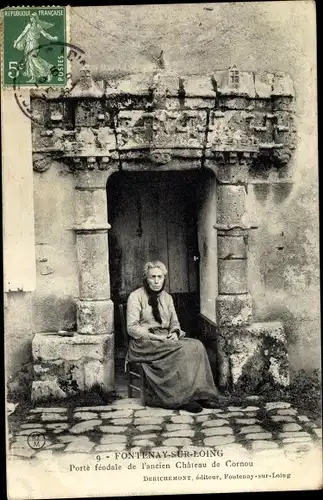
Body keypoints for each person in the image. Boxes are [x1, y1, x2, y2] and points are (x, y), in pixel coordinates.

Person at [126, 260, 219, 413]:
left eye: (160, 277)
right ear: (145, 278)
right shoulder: (135, 297)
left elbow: (174, 322)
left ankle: (201, 394)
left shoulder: (167, 298)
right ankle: (180, 399)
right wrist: (156, 338)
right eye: (152, 277)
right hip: (144, 342)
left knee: (197, 346)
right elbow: (132, 328)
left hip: (165, 339)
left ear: (164, 278)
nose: (156, 281)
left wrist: (175, 334)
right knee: (180, 350)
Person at [13, 12, 58, 83]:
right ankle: (33, 77)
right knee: (29, 60)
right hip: (28, 44)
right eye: (30, 17)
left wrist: (52, 38)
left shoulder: (38, 26)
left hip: (34, 45)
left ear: (36, 18)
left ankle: (47, 73)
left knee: (34, 60)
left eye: (33, 18)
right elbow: (23, 34)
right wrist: (16, 42)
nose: (31, 19)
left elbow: (45, 35)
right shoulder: (29, 25)